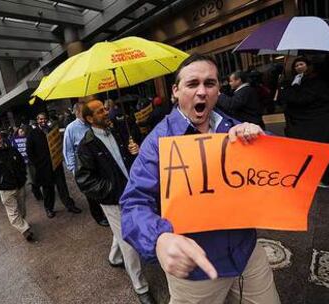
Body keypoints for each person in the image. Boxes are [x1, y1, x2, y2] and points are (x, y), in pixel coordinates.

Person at [120, 54, 280, 304]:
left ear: (219, 89)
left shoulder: (232, 127)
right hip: (195, 268)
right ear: (175, 91)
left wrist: (261, 139)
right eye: (192, 84)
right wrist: (158, 239)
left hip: (246, 253)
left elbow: (278, 167)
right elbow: (133, 203)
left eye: (210, 83)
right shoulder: (158, 142)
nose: (202, 92)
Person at [75, 99, 156, 304]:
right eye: (100, 111)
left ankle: (114, 258)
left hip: (133, 192)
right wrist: (112, 191)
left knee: (119, 233)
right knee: (128, 241)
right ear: (89, 118)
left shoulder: (119, 130)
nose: (106, 112)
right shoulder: (86, 145)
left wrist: (134, 150)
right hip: (114, 200)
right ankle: (141, 287)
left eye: (105, 108)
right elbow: (85, 180)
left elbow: (129, 160)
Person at [279, 56, 329, 191]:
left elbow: (302, 100)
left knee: (323, 150)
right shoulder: (302, 80)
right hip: (315, 122)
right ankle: (327, 179)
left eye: (301, 64)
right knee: (317, 150)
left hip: (319, 122)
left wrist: (293, 87)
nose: (298, 67)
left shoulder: (314, 81)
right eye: (296, 66)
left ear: (308, 65)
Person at [27, 113, 82, 218]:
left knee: (62, 186)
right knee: (48, 189)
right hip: (43, 167)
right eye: (40, 119)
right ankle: (49, 209)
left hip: (56, 164)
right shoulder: (32, 134)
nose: (43, 121)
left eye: (44, 119)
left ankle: (70, 205)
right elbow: (29, 152)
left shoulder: (51, 130)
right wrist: (38, 164)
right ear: (37, 120)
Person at [63, 100, 108, 226]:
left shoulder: (93, 122)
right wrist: (73, 169)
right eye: (83, 112)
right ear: (77, 113)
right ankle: (99, 217)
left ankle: (108, 211)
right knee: (92, 193)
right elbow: (68, 150)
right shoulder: (71, 129)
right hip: (84, 165)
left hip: (99, 161)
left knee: (104, 187)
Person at [12, 126, 43, 201]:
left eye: (23, 131)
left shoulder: (28, 139)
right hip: (24, 164)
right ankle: (37, 193)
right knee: (32, 180)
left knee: (35, 178)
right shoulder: (14, 141)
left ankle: (37, 191)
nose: (22, 133)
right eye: (20, 131)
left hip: (31, 162)